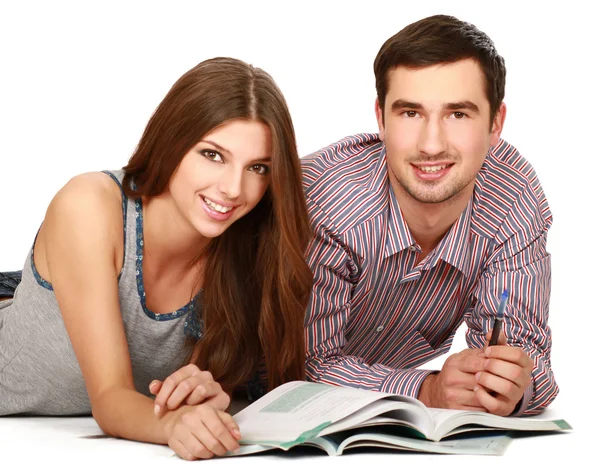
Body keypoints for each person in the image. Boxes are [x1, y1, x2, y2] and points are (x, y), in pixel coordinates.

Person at [0, 57, 313, 460]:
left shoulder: (246, 250)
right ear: (173, 140)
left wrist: (203, 394)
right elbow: (111, 399)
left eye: (257, 167)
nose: (234, 188)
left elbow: (173, 393)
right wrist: (171, 425)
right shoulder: (91, 207)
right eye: (213, 155)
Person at [301, 14, 557, 417]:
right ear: (380, 119)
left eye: (458, 114)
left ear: (495, 124)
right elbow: (304, 365)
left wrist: (511, 385)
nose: (432, 144)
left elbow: (530, 353)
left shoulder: (512, 197)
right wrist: (425, 388)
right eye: (410, 113)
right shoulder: (329, 199)